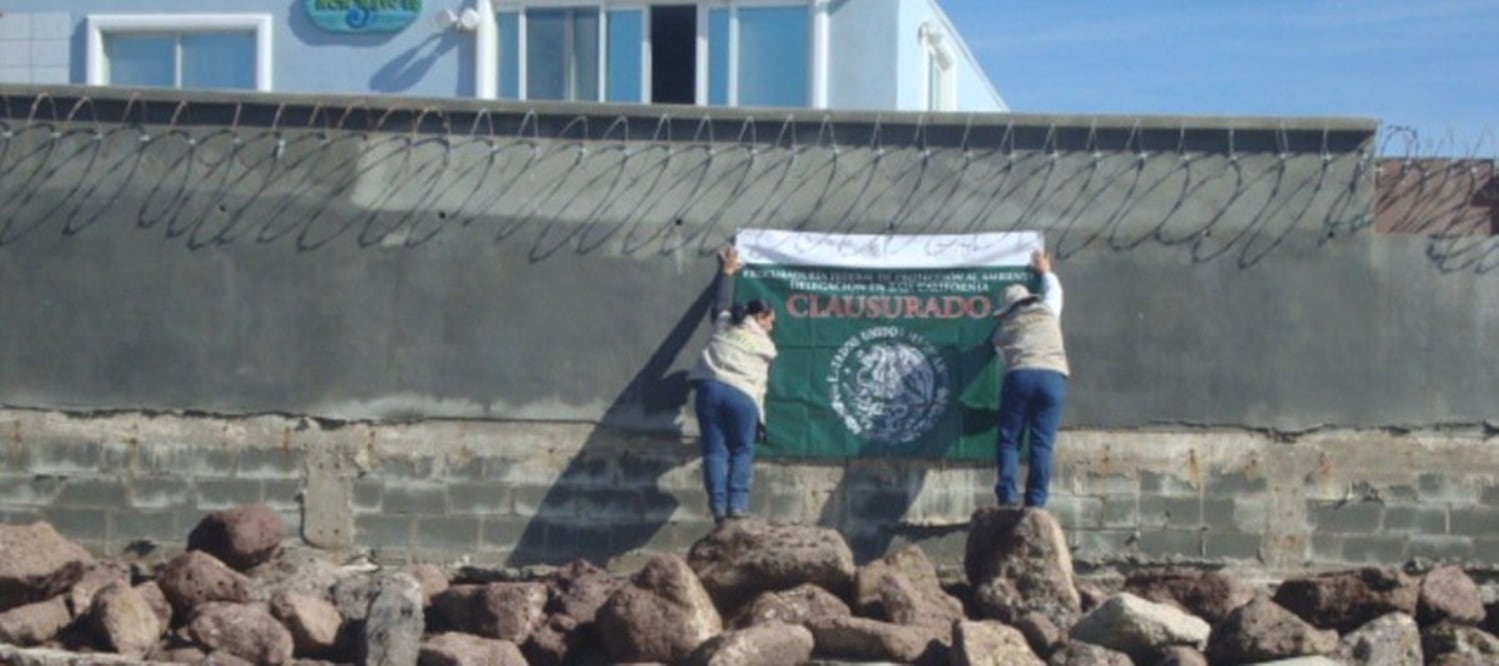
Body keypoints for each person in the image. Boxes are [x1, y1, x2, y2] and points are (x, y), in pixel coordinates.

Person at [688, 246, 778, 523]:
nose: (772, 328)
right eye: (770, 322)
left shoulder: (725, 322)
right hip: (742, 396)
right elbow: (760, 387)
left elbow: (721, 300)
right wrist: (760, 423)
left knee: (715, 451)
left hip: (710, 389)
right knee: (741, 451)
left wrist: (727, 272)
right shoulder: (766, 346)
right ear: (760, 319)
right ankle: (736, 507)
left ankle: (718, 509)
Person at [991, 249, 1069, 508]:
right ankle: (1036, 502)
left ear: (1009, 309)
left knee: (1010, 439)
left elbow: (996, 346)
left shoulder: (1006, 326)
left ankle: (1007, 495)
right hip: (1053, 376)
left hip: (1021, 376)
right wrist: (1045, 270)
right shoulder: (1048, 310)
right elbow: (1054, 289)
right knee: (1042, 444)